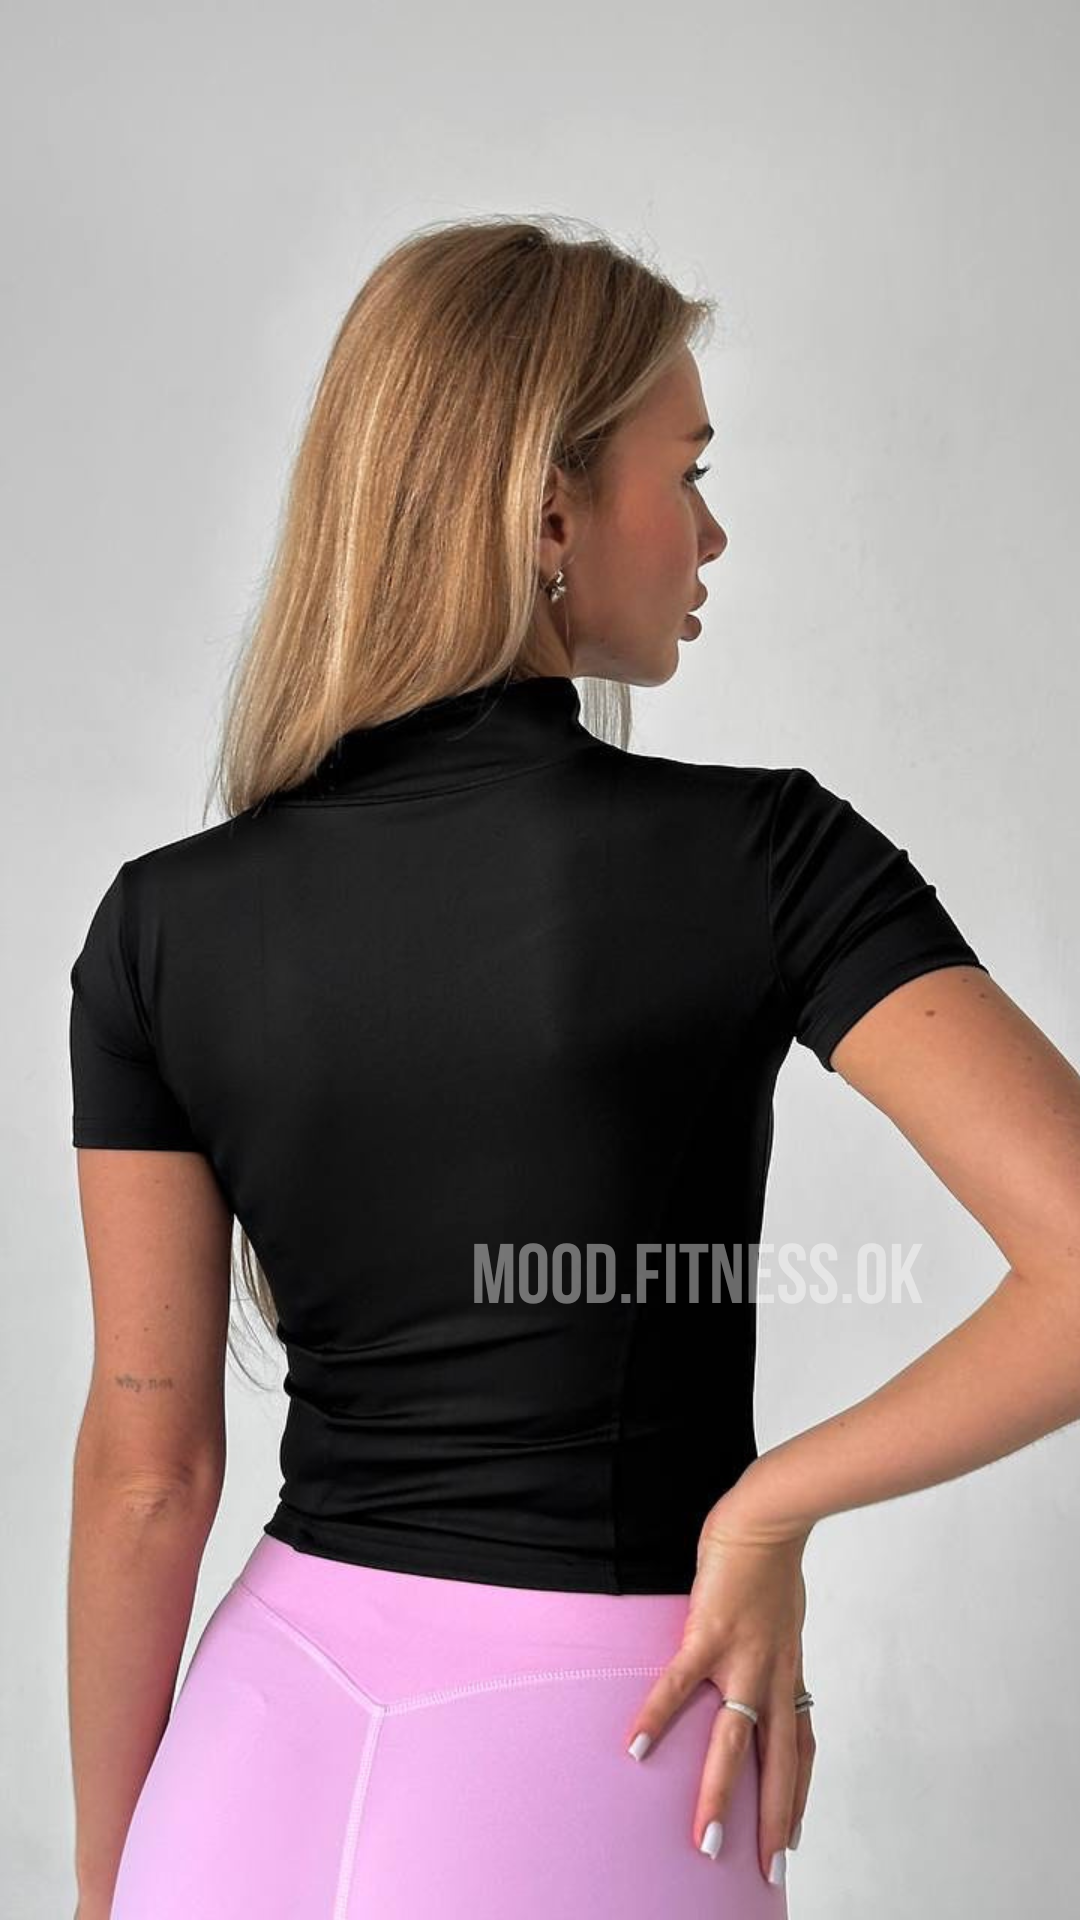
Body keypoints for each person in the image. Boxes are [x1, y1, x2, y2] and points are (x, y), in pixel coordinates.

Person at [66, 216, 1080, 1920]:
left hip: (248, 1755)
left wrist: (111, 1884)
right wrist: (766, 1512)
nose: (711, 530)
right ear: (550, 514)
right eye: (688, 471)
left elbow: (147, 1472)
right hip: (603, 1747)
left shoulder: (160, 923)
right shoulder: (766, 856)